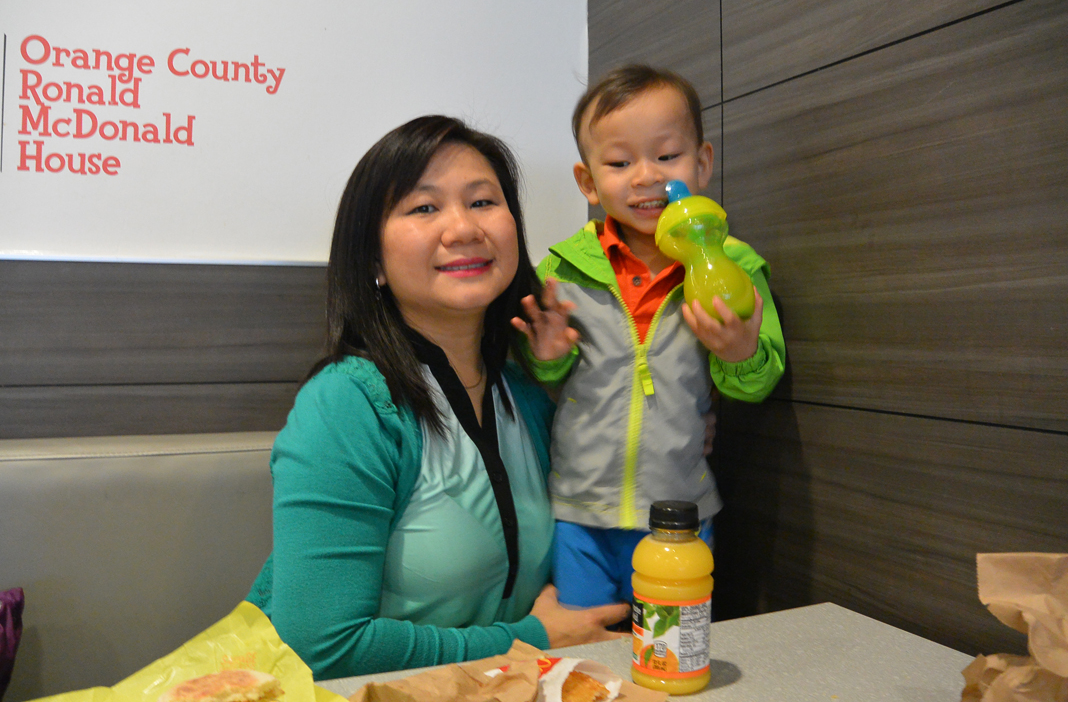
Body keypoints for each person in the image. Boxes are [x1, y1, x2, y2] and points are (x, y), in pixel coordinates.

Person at [245, 115, 628, 680]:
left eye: (482, 202)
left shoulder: (526, 392)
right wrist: (529, 639)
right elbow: (320, 645)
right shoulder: (347, 405)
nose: (464, 228)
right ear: (372, 259)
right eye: (424, 208)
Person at [511, 65, 787, 609]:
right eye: (618, 162)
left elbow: (756, 382)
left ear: (702, 163)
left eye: (666, 156)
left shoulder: (731, 266)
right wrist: (545, 360)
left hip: (680, 514)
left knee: (675, 652)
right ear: (588, 182)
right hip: (577, 511)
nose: (645, 176)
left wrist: (741, 353)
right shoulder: (562, 271)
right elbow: (541, 378)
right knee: (584, 658)